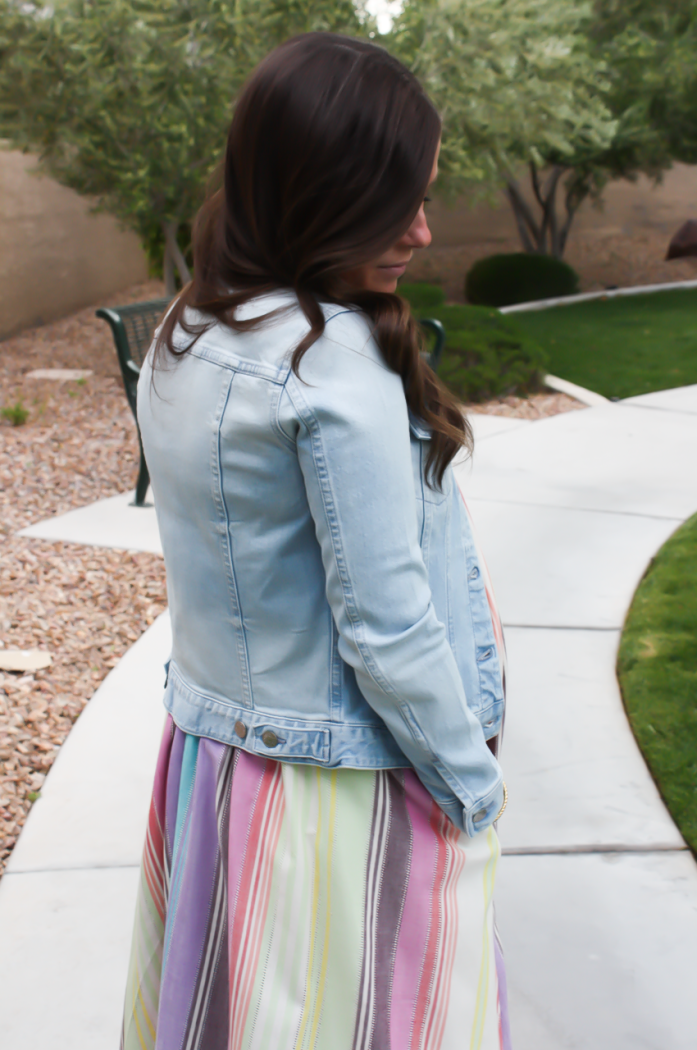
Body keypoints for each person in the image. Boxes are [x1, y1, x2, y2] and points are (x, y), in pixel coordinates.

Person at [121, 31, 511, 1050]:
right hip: (334, 798)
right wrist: (472, 785)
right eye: (397, 204)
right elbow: (384, 627)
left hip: (222, 777)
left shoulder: (190, 329)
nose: (423, 233)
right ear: (320, 194)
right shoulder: (326, 362)